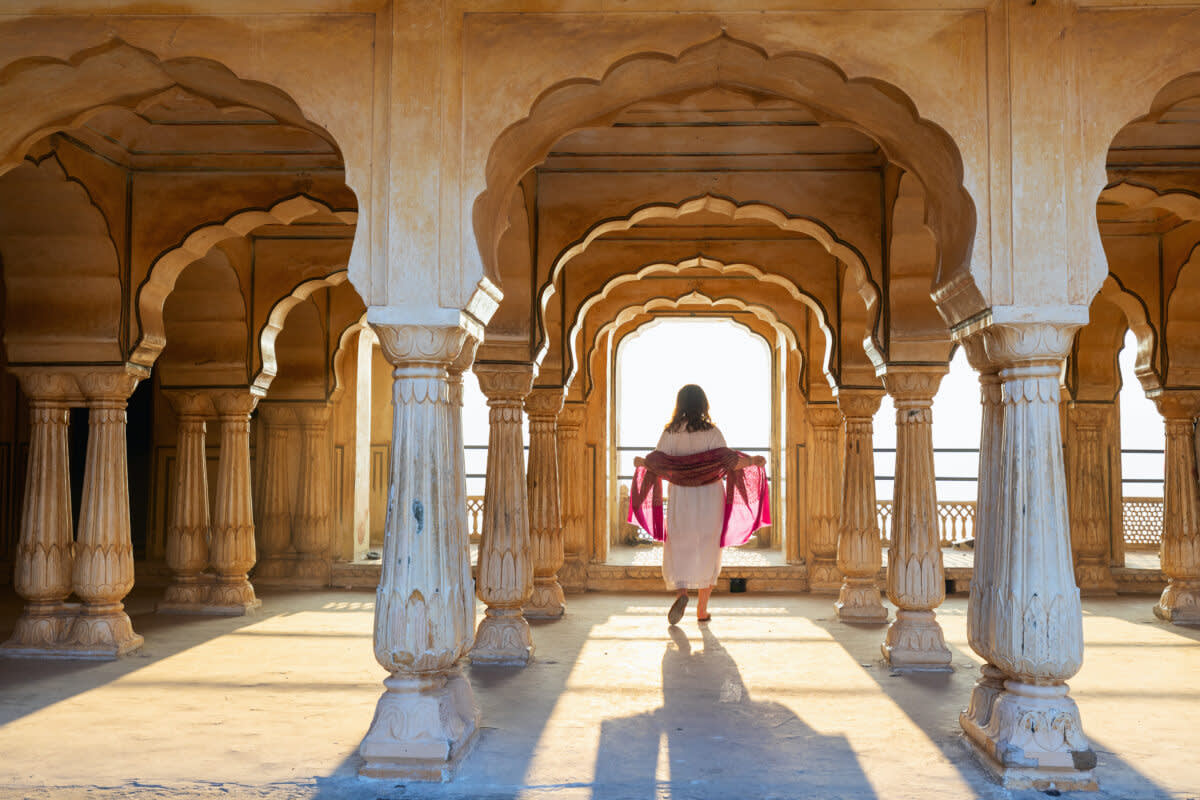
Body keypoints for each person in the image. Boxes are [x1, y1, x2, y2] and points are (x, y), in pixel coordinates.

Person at [630, 384, 768, 625]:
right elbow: (730, 462)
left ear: (679, 404)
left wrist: (641, 461)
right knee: (709, 549)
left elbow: (657, 463)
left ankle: (682, 594)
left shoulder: (671, 433)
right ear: (703, 405)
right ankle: (702, 611)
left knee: (679, 545)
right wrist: (753, 460)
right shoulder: (712, 432)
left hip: (681, 496)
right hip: (710, 497)